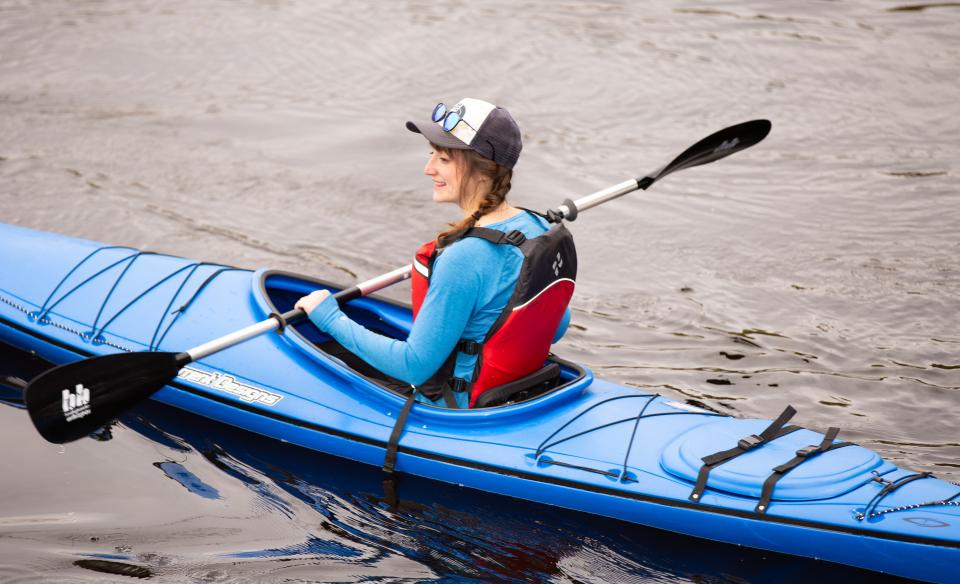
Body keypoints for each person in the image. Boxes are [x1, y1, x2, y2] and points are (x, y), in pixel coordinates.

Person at [296, 97, 575, 409]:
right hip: (520, 390)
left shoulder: (464, 258)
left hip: (457, 407)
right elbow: (557, 325)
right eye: (432, 155)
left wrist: (329, 316)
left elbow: (413, 366)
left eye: (444, 159)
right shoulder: (537, 227)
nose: (428, 169)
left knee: (322, 352)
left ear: (483, 170)